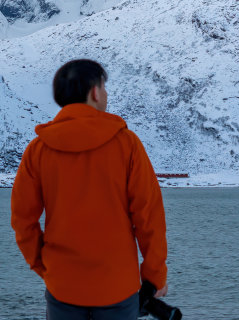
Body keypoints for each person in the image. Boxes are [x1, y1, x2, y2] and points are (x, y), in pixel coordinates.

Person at [11, 59, 168, 320]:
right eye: (104, 88)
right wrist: (154, 276)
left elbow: (22, 220)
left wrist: (44, 266)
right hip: (118, 287)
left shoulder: (38, 150)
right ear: (94, 92)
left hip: (63, 286)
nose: (106, 95)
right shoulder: (126, 144)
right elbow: (148, 216)